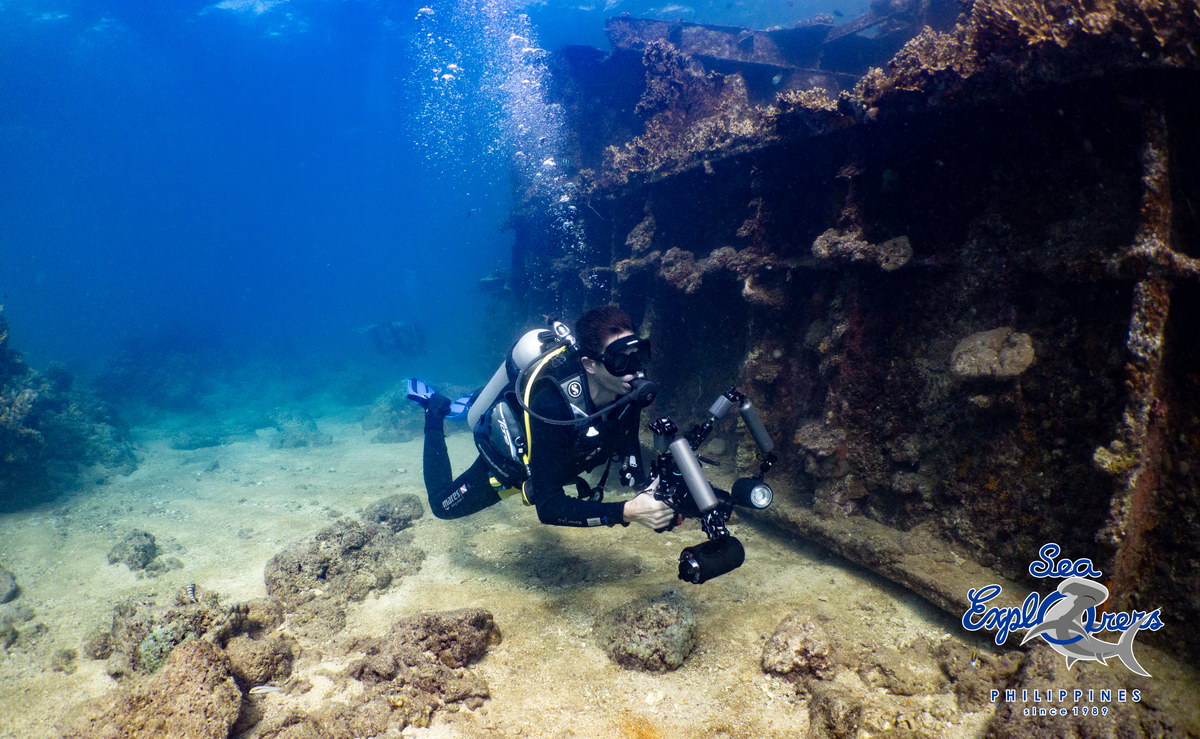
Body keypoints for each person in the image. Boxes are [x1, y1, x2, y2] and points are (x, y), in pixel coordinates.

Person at [409, 306, 675, 530]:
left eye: (639, 355)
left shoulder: (624, 392)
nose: (635, 370)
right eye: (620, 360)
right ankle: (434, 411)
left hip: (558, 458)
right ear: (589, 364)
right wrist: (625, 511)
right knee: (442, 507)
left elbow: (631, 463)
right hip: (509, 465)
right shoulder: (552, 407)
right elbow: (548, 507)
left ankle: (480, 396)